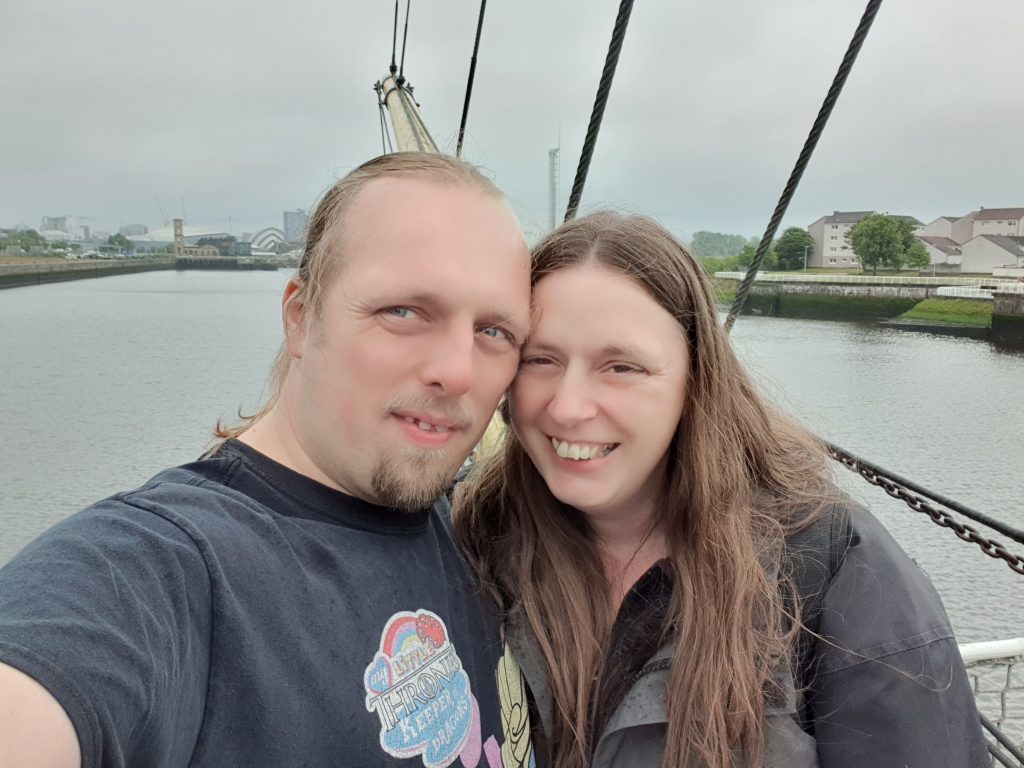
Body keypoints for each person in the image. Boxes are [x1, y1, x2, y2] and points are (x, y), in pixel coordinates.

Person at [0, 152, 537, 768]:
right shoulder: (164, 569)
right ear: (300, 319)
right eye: (405, 312)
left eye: (495, 332)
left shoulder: (476, 532)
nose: (457, 371)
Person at [454, 211, 988, 768]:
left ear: (696, 379)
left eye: (622, 367)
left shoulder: (829, 566)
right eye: (541, 360)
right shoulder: (473, 537)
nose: (567, 407)